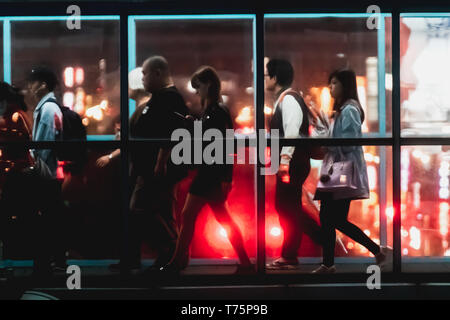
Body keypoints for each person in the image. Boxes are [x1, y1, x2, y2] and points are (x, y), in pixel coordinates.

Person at [159, 66, 252, 274]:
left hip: (210, 174)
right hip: (212, 173)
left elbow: (224, 144)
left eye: (198, 86)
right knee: (219, 218)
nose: (196, 91)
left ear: (208, 85)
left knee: (188, 215)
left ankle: (176, 262)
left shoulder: (216, 111)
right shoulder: (215, 111)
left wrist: (226, 176)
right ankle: (245, 263)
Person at [312, 69, 392, 274]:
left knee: (331, 218)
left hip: (340, 169)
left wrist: (327, 141)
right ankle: (330, 263)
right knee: (330, 218)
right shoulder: (343, 110)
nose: (331, 87)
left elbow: (348, 143)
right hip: (336, 169)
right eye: (330, 83)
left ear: (345, 86)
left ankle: (373, 252)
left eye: (334, 83)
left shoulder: (349, 110)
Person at [125, 56, 188, 272]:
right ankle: (171, 256)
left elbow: (171, 132)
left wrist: (161, 161)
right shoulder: (159, 98)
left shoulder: (169, 99)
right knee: (159, 211)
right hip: (150, 168)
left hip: (158, 170)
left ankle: (172, 251)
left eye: (145, 73)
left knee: (147, 209)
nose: (141, 78)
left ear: (158, 73)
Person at [265, 58, 323, 269]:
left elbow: (291, 132)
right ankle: (292, 254)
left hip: (293, 163)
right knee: (289, 207)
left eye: (265, 76)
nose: (263, 80)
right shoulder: (286, 99)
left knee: (286, 207)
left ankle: (317, 241)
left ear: (274, 77)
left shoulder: (288, 100)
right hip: (294, 162)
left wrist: (284, 162)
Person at [26, 66, 63, 177]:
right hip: (48, 172)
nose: (30, 86)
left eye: (33, 82)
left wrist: (34, 166)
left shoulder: (48, 109)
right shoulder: (48, 107)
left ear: (43, 85)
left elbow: (43, 146)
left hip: (45, 174)